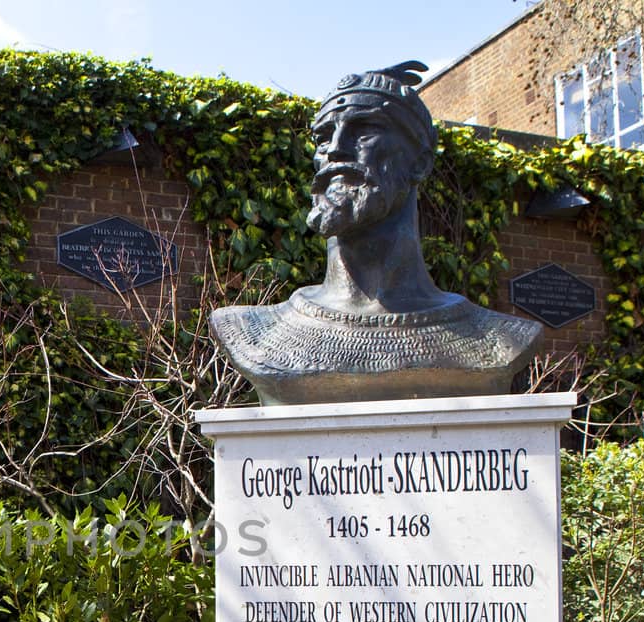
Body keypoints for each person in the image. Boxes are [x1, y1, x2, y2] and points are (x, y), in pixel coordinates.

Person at [211, 61, 542, 405]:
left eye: (365, 130)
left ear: (420, 163)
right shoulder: (254, 333)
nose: (336, 149)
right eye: (323, 137)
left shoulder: (498, 339)